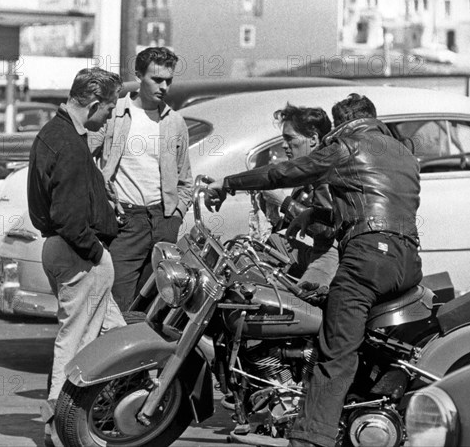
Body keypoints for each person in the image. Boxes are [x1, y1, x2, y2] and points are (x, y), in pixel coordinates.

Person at [206, 93, 422, 447]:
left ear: (342, 123)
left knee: (335, 351)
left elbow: (284, 172)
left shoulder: (347, 145)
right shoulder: (401, 152)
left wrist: (229, 183)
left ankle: (309, 438)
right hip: (407, 260)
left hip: (367, 258)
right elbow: (364, 200)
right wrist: (314, 213)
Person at [27, 67, 126, 446]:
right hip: (78, 254)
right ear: (95, 103)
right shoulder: (69, 142)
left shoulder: (54, 133)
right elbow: (68, 217)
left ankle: (104, 413)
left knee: (115, 334)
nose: (111, 116)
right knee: (76, 341)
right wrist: (96, 250)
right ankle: (60, 425)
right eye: (110, 108)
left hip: (64, 249)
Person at [97, 47, 193, 311]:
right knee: (117, 302)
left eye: (168, 81)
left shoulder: (175, 122)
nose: (164, 87)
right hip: (125, 222)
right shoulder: (115, 114)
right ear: (139, 76)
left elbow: (186, 180)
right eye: (156, 79)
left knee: (156, 304)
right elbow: (86, 160)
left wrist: (175, 216)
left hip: (163, 221)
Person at [265, 104, 338, 295]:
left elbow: (325, 228)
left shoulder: (327, 171)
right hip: (313, 251)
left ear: (313, 139)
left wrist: (284, 202)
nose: (283, 145)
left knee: (303, 304)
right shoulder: (305, 173)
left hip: (332, 256)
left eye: (289, 139)